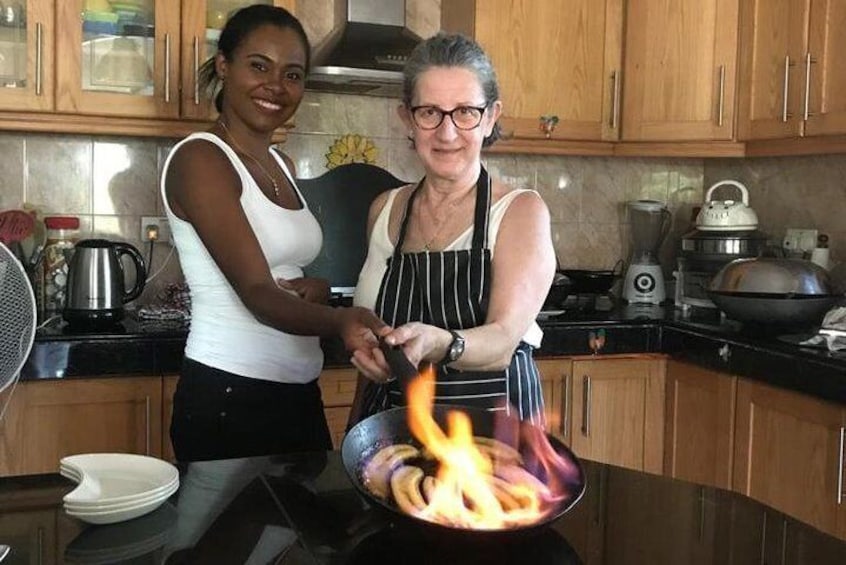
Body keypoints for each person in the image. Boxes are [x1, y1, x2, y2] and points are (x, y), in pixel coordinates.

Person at [160, 5, 388, 462]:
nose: (276, 87)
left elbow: (283, 269)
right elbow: (258, 291)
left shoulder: (280, 164)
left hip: (297, 389)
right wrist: (344, 321)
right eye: (259, 66)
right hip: (229, 394)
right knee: (224, 536)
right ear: (224, 65)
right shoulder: (200, 159)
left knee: (307, 534)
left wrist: (319, 288)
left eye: (293, 75)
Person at [350, 32, 556, 426]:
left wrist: (438, 343)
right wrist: (371, 353)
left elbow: (503, 340)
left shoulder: (520, 212)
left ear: (491, 116)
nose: (447, 133)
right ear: (407, 118)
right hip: (392, 430)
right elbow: (372, 325)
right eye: (430, 112)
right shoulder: (385, 210)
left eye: (465, 112)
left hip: (495, 438)